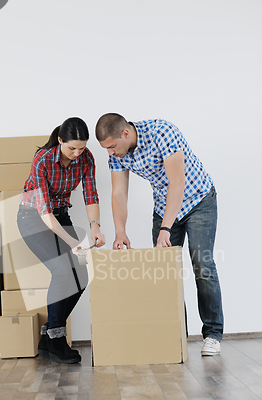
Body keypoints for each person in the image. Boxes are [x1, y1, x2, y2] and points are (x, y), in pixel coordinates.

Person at [95, 113, 223, 356]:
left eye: (111, 146)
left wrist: (165, 229)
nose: (110, 153)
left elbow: (178, 182)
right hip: (164, 207)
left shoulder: (162, 133)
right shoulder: (117, 153)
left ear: (125, 133)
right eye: (106, 149)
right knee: (164, 272)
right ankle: (176, 337)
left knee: (202, 264)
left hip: (198, 200)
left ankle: (213, 335)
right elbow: (119, 193)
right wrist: (120, 231)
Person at [17, 117, 105, 364]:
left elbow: (91, 194)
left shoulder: (86, 159)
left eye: (82, 148)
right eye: (71, 148)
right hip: (34, 218)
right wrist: (73, 242)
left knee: (82, 274)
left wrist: (95, 228)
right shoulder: (43, 160)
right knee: (63, 271)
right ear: (60, 141)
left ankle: (48, 335)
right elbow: (45, 213)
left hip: (60, 215)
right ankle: (57, 339)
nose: (77, 154)